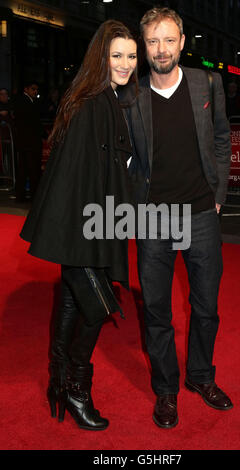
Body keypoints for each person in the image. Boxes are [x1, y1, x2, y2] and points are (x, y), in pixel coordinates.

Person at [20, 20, 137, 431]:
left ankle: (59, 383)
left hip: (90, 225)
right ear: (101, 58)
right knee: (96, 307)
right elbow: (78, 177)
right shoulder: (94, 103)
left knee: (74, 302)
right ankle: (75, 388)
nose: (125, 63)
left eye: (130, 56)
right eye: (117, 55)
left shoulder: (102, 98)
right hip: (86, 228)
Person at [119, 7, 233, 429]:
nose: (162, 49)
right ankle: (166, 389)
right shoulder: (132, 95)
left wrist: (218, 195)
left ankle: (201, 377)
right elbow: (122, 155)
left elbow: (221, 138)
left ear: (183, 42)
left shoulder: (209, 83)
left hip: (202, 214)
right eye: (153, 41)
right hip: (153, 220)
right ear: (144, 46)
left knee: (206, 308)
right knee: (156, 311)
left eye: (169, 40)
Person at [13, 81, 43, 201]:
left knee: (25, 169)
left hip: (26, 141)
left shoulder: (28, 102)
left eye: (36, 89)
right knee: (31, 169)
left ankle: (22, 196)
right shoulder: (25, 102)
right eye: (33, 89)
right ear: (26, 89)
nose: (35, 92)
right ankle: (32, 195)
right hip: (29, 142)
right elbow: (33, 122)